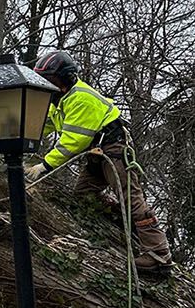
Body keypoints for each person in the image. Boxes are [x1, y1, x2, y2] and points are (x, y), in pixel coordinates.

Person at [25, 48, 172, 274]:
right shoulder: (60, 102)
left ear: (64, 78)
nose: (48, 85)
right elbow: (42, 127)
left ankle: (158, 255)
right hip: (97, 153)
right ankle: (124, 223)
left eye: (51, 80)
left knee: (130, 197)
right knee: (83, 196)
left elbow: (73, 140)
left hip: (113, 149)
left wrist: (45, 165)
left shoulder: (80, 98)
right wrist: (18, 137)